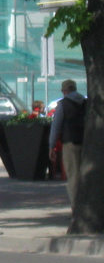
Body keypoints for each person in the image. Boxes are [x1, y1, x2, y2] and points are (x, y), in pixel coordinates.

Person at [48, 80, 86, 229]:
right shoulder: (85, 103)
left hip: (69, 143)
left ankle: (76, 209)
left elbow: (56, 126)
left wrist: (51, 146)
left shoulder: (63, 105)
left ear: (65, 91)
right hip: (87, 143)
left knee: (73, 177)